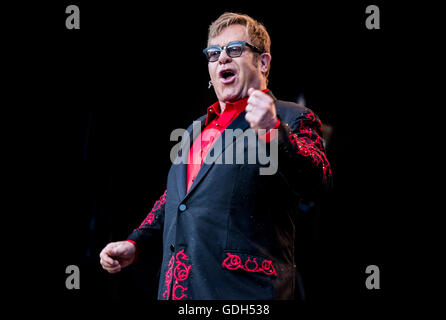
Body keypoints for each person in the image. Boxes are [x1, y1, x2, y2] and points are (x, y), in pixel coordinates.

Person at [100, 12, 331, 300]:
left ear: (263, 62)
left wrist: (274, 131)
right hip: (179, 292)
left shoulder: (291, 117)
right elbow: (177, 199)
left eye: (234, 49)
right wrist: (137, 243)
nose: (222, 58)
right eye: (213, 53)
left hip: (243, 293)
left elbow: (317, 181)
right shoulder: (195, 129)